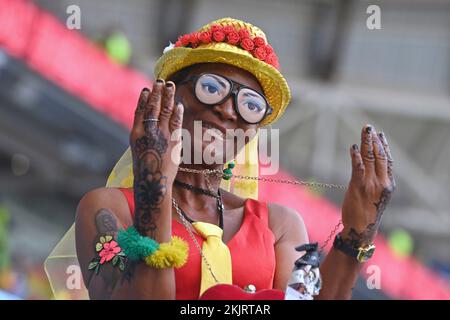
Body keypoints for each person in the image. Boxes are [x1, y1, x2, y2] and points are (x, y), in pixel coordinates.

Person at [46, 17, 395, 300]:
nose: (228, 110)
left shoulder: (279, 226)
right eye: (210, 88)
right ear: (168, 97)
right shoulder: (109, 209)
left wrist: (358, 232)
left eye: (250, 105)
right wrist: (154, 189)